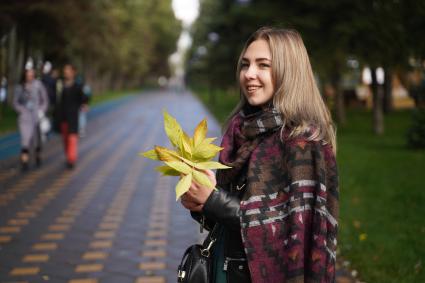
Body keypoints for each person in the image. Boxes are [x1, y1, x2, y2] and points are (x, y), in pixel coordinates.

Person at [181, 27, 339, 282]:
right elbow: (233, 217)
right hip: (226, 269)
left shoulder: (302, 141)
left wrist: (213, 200)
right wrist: (200, 204)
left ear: (289, 72)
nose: (249, 74)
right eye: (245, 65)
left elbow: (289, 227)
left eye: (263, 65)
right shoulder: (243, 130)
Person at [13, 67, 49, 171]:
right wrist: (22, 110)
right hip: (25, 118)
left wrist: (42, 110)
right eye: (28, 75)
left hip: (37, 117)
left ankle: (38, 156)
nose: (30, 77)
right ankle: (24, 161)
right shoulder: (20, 87)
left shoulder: (38, 85)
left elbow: (45, 99)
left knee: (37, 140)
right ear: (25, 75)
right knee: (26, 139)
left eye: (32, 75)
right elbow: (15, 102)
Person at [57, 63, 88, 169]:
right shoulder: (60, 85)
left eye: (69, 70)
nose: (66, 72)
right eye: (65, 70)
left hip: (73, 116)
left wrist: (84, 104)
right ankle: (68, 156)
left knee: (72, 138)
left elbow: (84, 98)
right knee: (65, 139)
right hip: (62, 116)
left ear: (73, 72)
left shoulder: (77, 86)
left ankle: (72, 159)